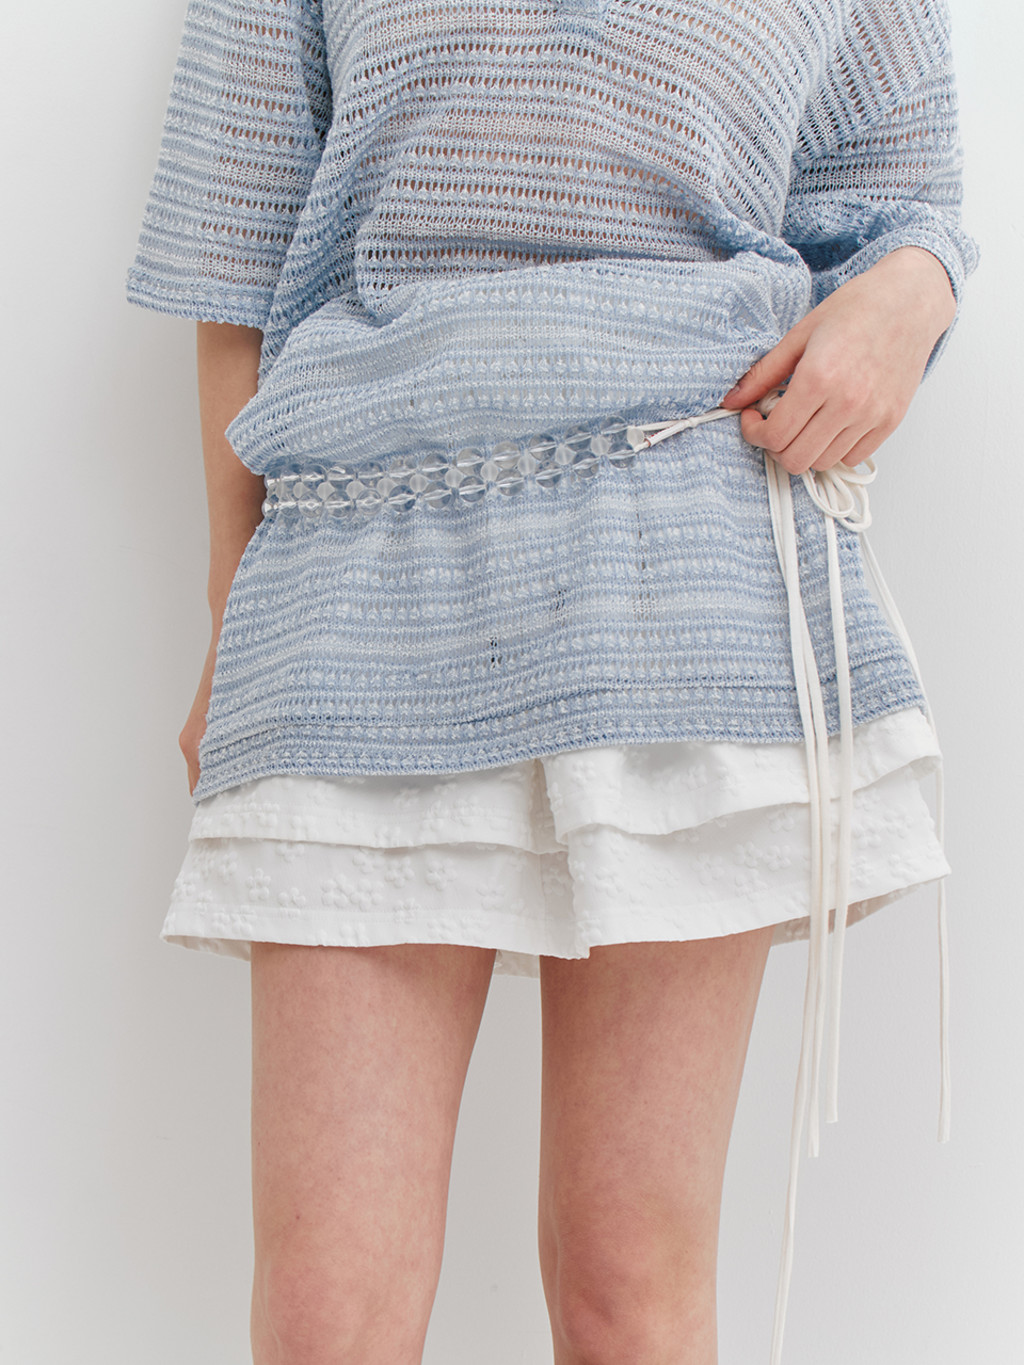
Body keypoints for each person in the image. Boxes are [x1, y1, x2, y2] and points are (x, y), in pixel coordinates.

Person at [126, 1, 977, 1361]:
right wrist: (233, 620)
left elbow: (903, 195)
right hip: (358, 586)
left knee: (626, 1286)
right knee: (327, 1315)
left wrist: (911, 293)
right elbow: (232, 252)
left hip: (684, 578)